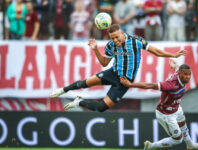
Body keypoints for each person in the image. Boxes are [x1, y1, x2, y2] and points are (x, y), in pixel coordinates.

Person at [50, 24, 186, 112]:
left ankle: (79, 102)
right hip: (113, 73)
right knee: (85, 83)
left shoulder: (135, 41)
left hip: (124, 82)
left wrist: (172, 54)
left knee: (101, 108)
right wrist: (96, 50)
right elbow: (104, 62)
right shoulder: (111, 45)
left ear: (122, 33)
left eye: (116, 37)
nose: (115, 40)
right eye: (112, 38)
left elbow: (156, 51)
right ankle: (63, 90)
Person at [119, 59, 198, 150]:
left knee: (183, 125)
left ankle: (190, 144)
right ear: (180, 74)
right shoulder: (171, 85)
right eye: (185, 74)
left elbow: (177, 68)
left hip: (176, 107)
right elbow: (150, 85)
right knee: (178, 139)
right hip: (166, 114)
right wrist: (130, 84)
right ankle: (151, 146)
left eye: (189, 74)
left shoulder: (179, 73)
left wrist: (174, 65)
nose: (188, 77)